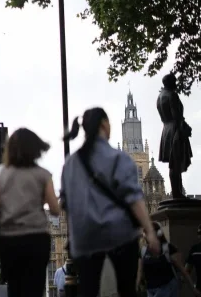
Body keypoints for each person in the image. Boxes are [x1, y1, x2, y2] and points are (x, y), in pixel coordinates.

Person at [60, 107, 160, 297]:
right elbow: (134, 199)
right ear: (105, 125)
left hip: (85, 239)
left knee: (88, 291)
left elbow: (66, 204)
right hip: (119, 235)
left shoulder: (71, 163)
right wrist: (150, 232)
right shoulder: (118, 158)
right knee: (126, 290)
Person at [0, 128, 60, 297]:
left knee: (15, 289)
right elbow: (55, 209)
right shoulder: (43, 174)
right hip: (36, 238)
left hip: (9, 240)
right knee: (34, 289)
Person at [156, 73, 192, 199]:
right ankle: (177, 193)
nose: (176, 84)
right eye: (174, 81)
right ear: (170, 83)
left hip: (166, 130)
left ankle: (177, 192)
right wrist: (184, 129)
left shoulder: (160, 96)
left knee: (174, 162)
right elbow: (176, 116)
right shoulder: (172, 95)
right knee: (175, 162)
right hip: (175, 130)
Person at [138, 222, 198, 297]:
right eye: (145, 233)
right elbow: (140, 272)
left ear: (158, 233)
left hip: (167, 287)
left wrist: (193, 288)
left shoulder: (168, 249)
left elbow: (183, 271)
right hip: (150, 290)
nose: (145, 235)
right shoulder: (143, 251)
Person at [186, 223, 201, 296]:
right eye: (199, 233)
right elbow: (186, 271)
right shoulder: (195, 250)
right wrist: (193, 288)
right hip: (200, 289)